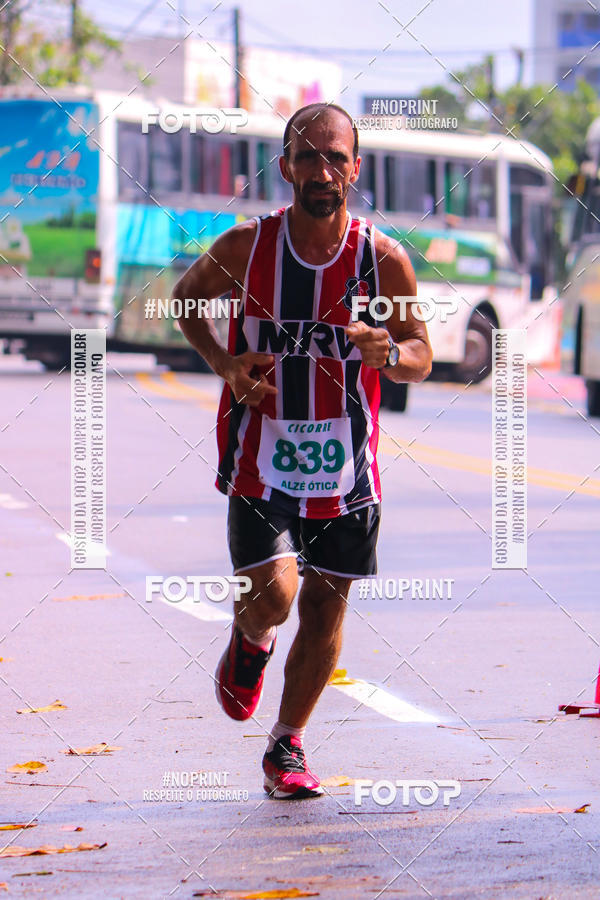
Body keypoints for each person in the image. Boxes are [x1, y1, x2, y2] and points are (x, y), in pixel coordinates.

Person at [174, 102, 432, 800]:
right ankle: (250, 638)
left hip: (348, 470)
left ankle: (285, 745)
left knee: (324, 610)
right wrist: (227, 366)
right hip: (261, 458)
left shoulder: (382, 261)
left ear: (356, 167)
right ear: (285, 166)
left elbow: (421, 356)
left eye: (335, 156)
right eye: (308, 155)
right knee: (277, 597)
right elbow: (185, 299)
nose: (323, 169)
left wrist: (391, 351)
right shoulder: (244, 249)